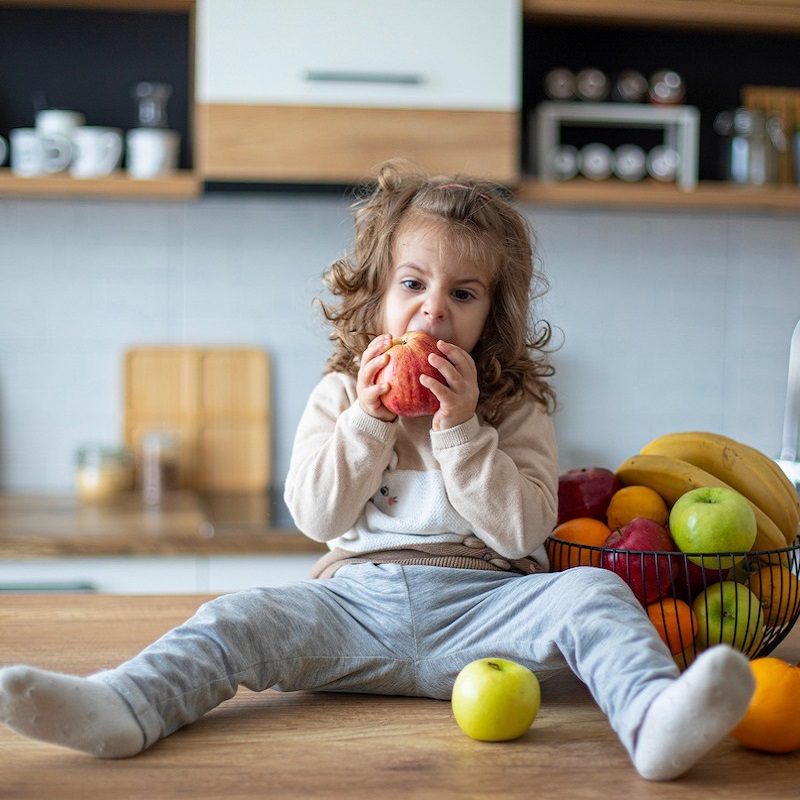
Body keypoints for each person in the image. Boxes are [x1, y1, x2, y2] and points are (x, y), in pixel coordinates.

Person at [0, 160, 754, 781]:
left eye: (462, 295)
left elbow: (527, 528)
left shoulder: (513, 407)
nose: (432, 313)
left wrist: (462, 429)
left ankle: (654, 719)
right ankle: (123, 707)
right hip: (352, 609)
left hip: (484, 611)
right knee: (234, 617)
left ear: (494, 316)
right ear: (377, 294)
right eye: (414, 285)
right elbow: (316, 516)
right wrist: (369, 420)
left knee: (593, 589)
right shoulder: (340, 394)